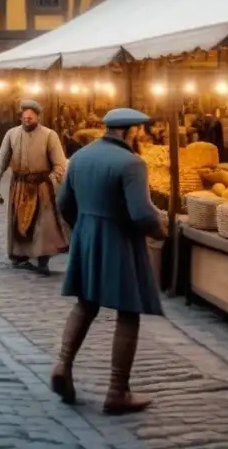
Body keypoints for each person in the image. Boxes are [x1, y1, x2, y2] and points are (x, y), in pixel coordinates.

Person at [52, 108, 168, 414]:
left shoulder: (79, 157)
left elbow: (63, 202)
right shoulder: (132, 163)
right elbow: (142, 213)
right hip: (120, 241)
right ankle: (118, 391)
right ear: (130, 132)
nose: (143, 137)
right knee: (128, 312)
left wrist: (85, 227)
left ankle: (63, 364)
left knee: (85, 303)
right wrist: (161, 229)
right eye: (140, 132)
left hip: (87, 236)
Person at [0, 100, 69, 276]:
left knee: (43, 224)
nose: (27, 121)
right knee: (19, 223)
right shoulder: (12, 134)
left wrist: (51, 181)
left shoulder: (49, 135)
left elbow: (60, 165)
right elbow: (1, 160)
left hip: (42, 187)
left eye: (31, 118)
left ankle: (43, 260)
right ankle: (20, 255)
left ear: (37, 118)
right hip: (19, 186)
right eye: (24, 118)